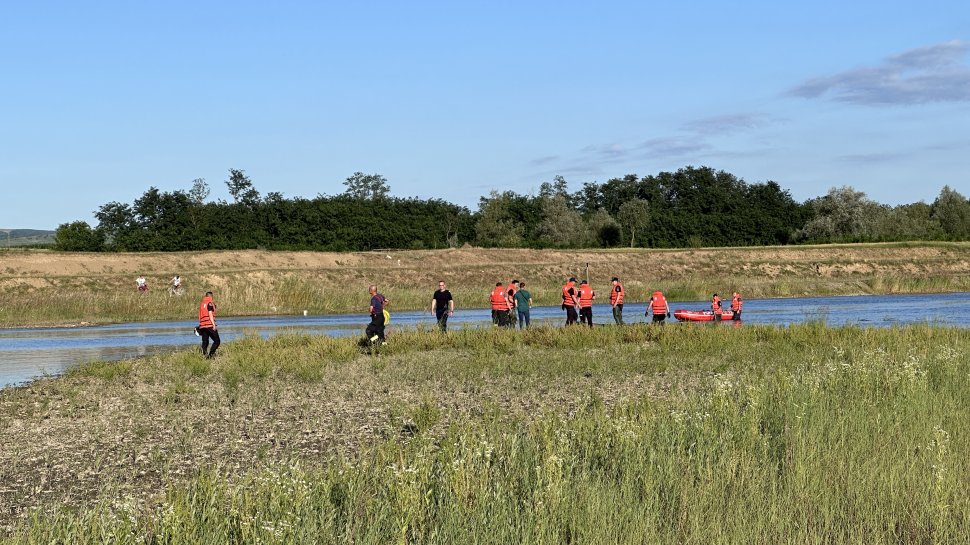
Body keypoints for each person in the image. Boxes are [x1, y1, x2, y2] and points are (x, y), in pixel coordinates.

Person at [197, 291, 220, 358]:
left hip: (203, 326)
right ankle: (211, 355)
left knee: (205, 341)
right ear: (210, 296)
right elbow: (210, 314)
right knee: (217, 341)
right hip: (209, 325)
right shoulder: (209, 303)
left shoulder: (202, 304)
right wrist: (213, 325)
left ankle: (205, 355)